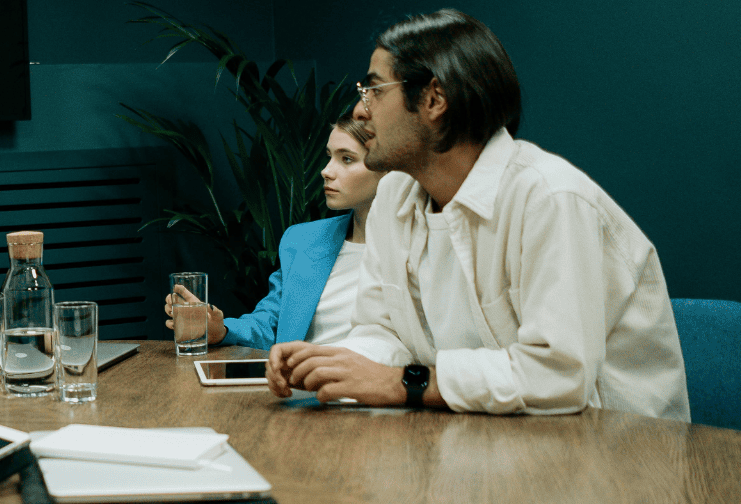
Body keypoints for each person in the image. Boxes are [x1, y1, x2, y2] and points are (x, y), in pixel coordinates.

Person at [266, 9, 689, 420]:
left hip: (612, 461)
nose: (360, 111)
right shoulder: (394, 196)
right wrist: (333, 365)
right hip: (484, 442)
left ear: (434, 99)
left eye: (374, 90)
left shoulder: (550, 198)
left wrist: (404, 384)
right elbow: (382, 331)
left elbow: (558, 376)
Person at [163, 115, 384, 350]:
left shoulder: (417, 246)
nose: (326, 171)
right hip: (294, 382)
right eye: (329, 157)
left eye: (347, 159)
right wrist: (219, 330)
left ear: (391, 167)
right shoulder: (303, 240)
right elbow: (270, 324)